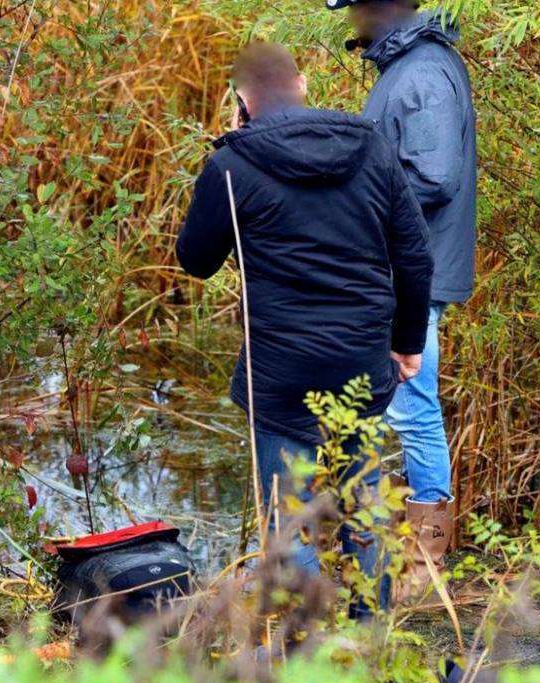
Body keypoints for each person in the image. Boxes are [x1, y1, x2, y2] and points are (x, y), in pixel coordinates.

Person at [175, 42, 433, 617]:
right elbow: (414, 256)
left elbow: (194, 259)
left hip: (281, 373)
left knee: (288, 521)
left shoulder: (230, 166)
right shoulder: (371, 147)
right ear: (305, 84)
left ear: (242, 101)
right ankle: (370, 642)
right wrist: (407, 343)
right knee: (365, 509)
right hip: (360, 362)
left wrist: (229, 158)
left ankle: (307, 655)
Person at [327, 0, 477, 599]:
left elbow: (434, 178)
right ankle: (388, 549)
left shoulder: (418, 75)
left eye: (355, 8)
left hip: (412, 271)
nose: (352, 20)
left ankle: (424, 560)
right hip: (405, 266)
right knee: (402, 406)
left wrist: (357, 203)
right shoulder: (409, 66)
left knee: (412, 408)